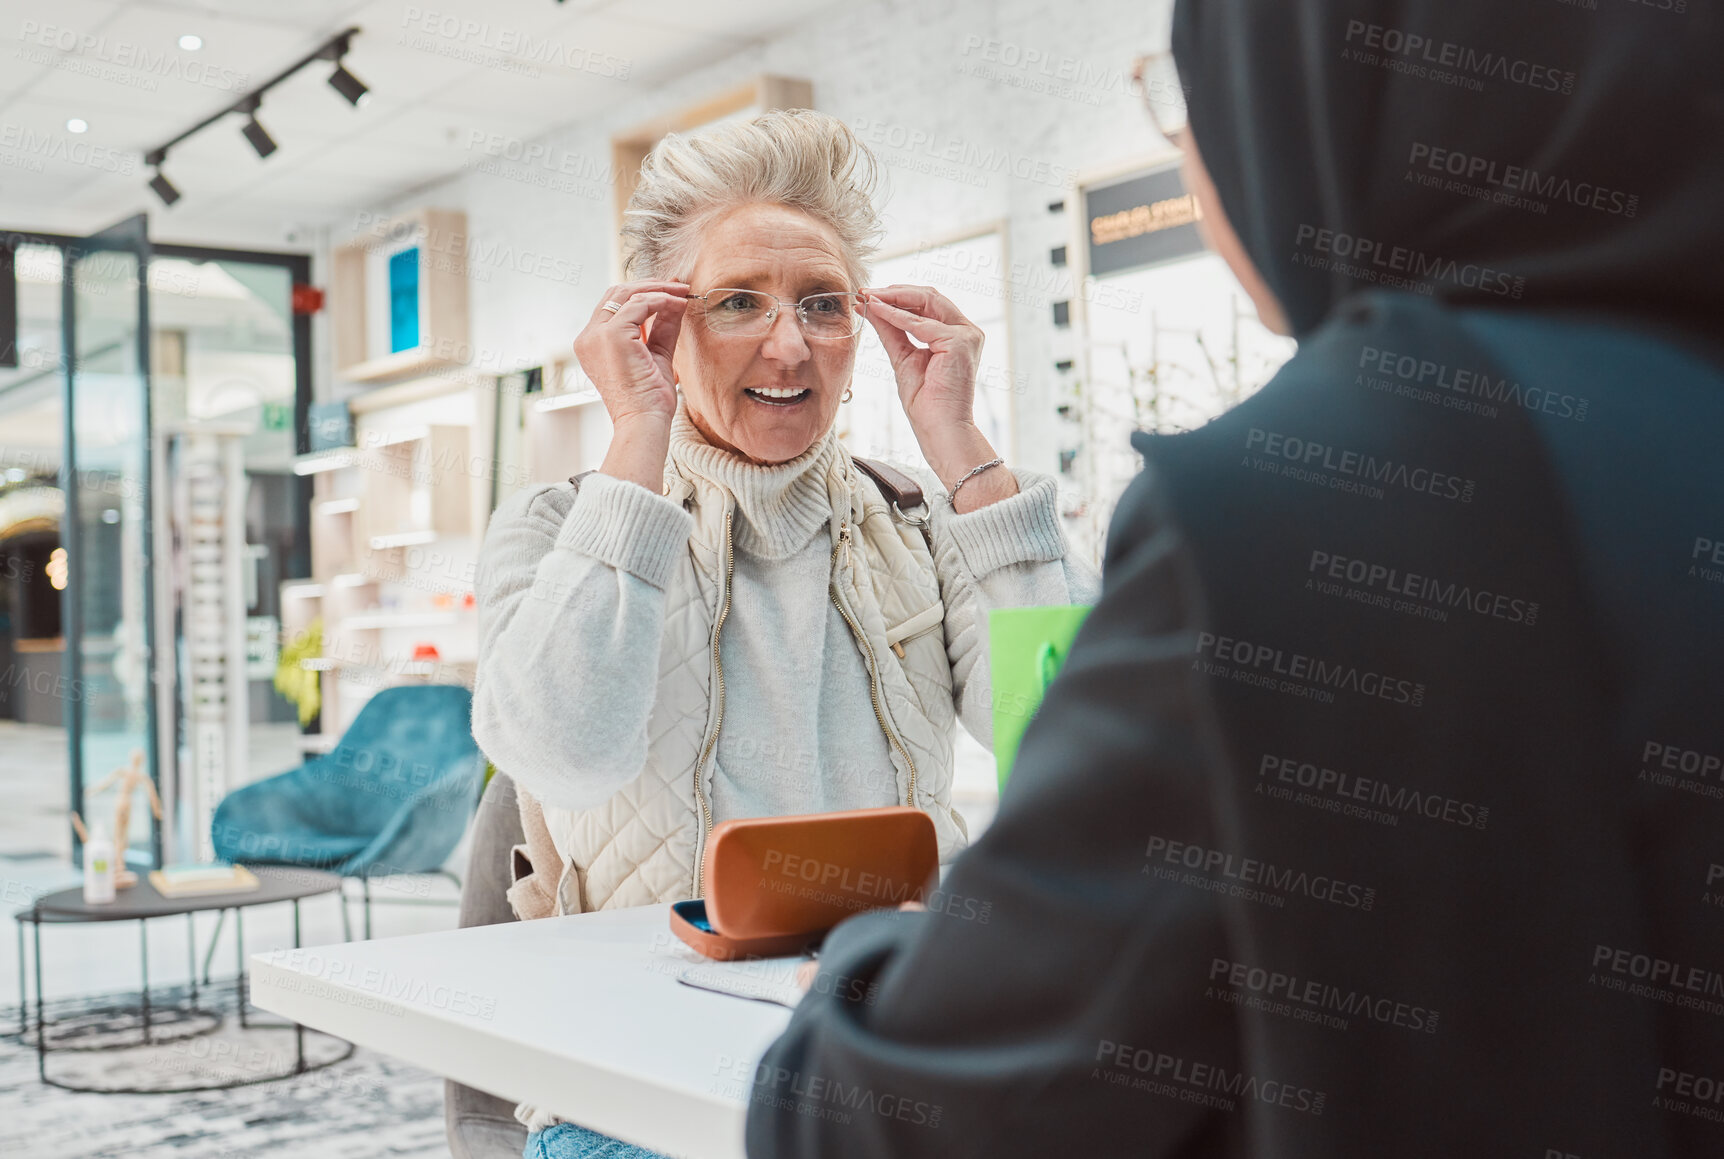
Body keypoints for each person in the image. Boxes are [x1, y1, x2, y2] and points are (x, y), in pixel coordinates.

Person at [748, 1, 1724, 1156]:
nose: (788, 346)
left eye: (1186, 98)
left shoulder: (1321, 497)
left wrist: (860, 962)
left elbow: (937, 1111)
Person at [470, 108, 1100, 1156]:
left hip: (888, 1049)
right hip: (634, 1078)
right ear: (659, 330)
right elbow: (562, 754)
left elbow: (1074, 752)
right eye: (735, 303)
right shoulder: (556, 526)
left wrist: (961, 450)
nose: (788, 343)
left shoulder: (916, 520)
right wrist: (638, 439)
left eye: (821, 304)